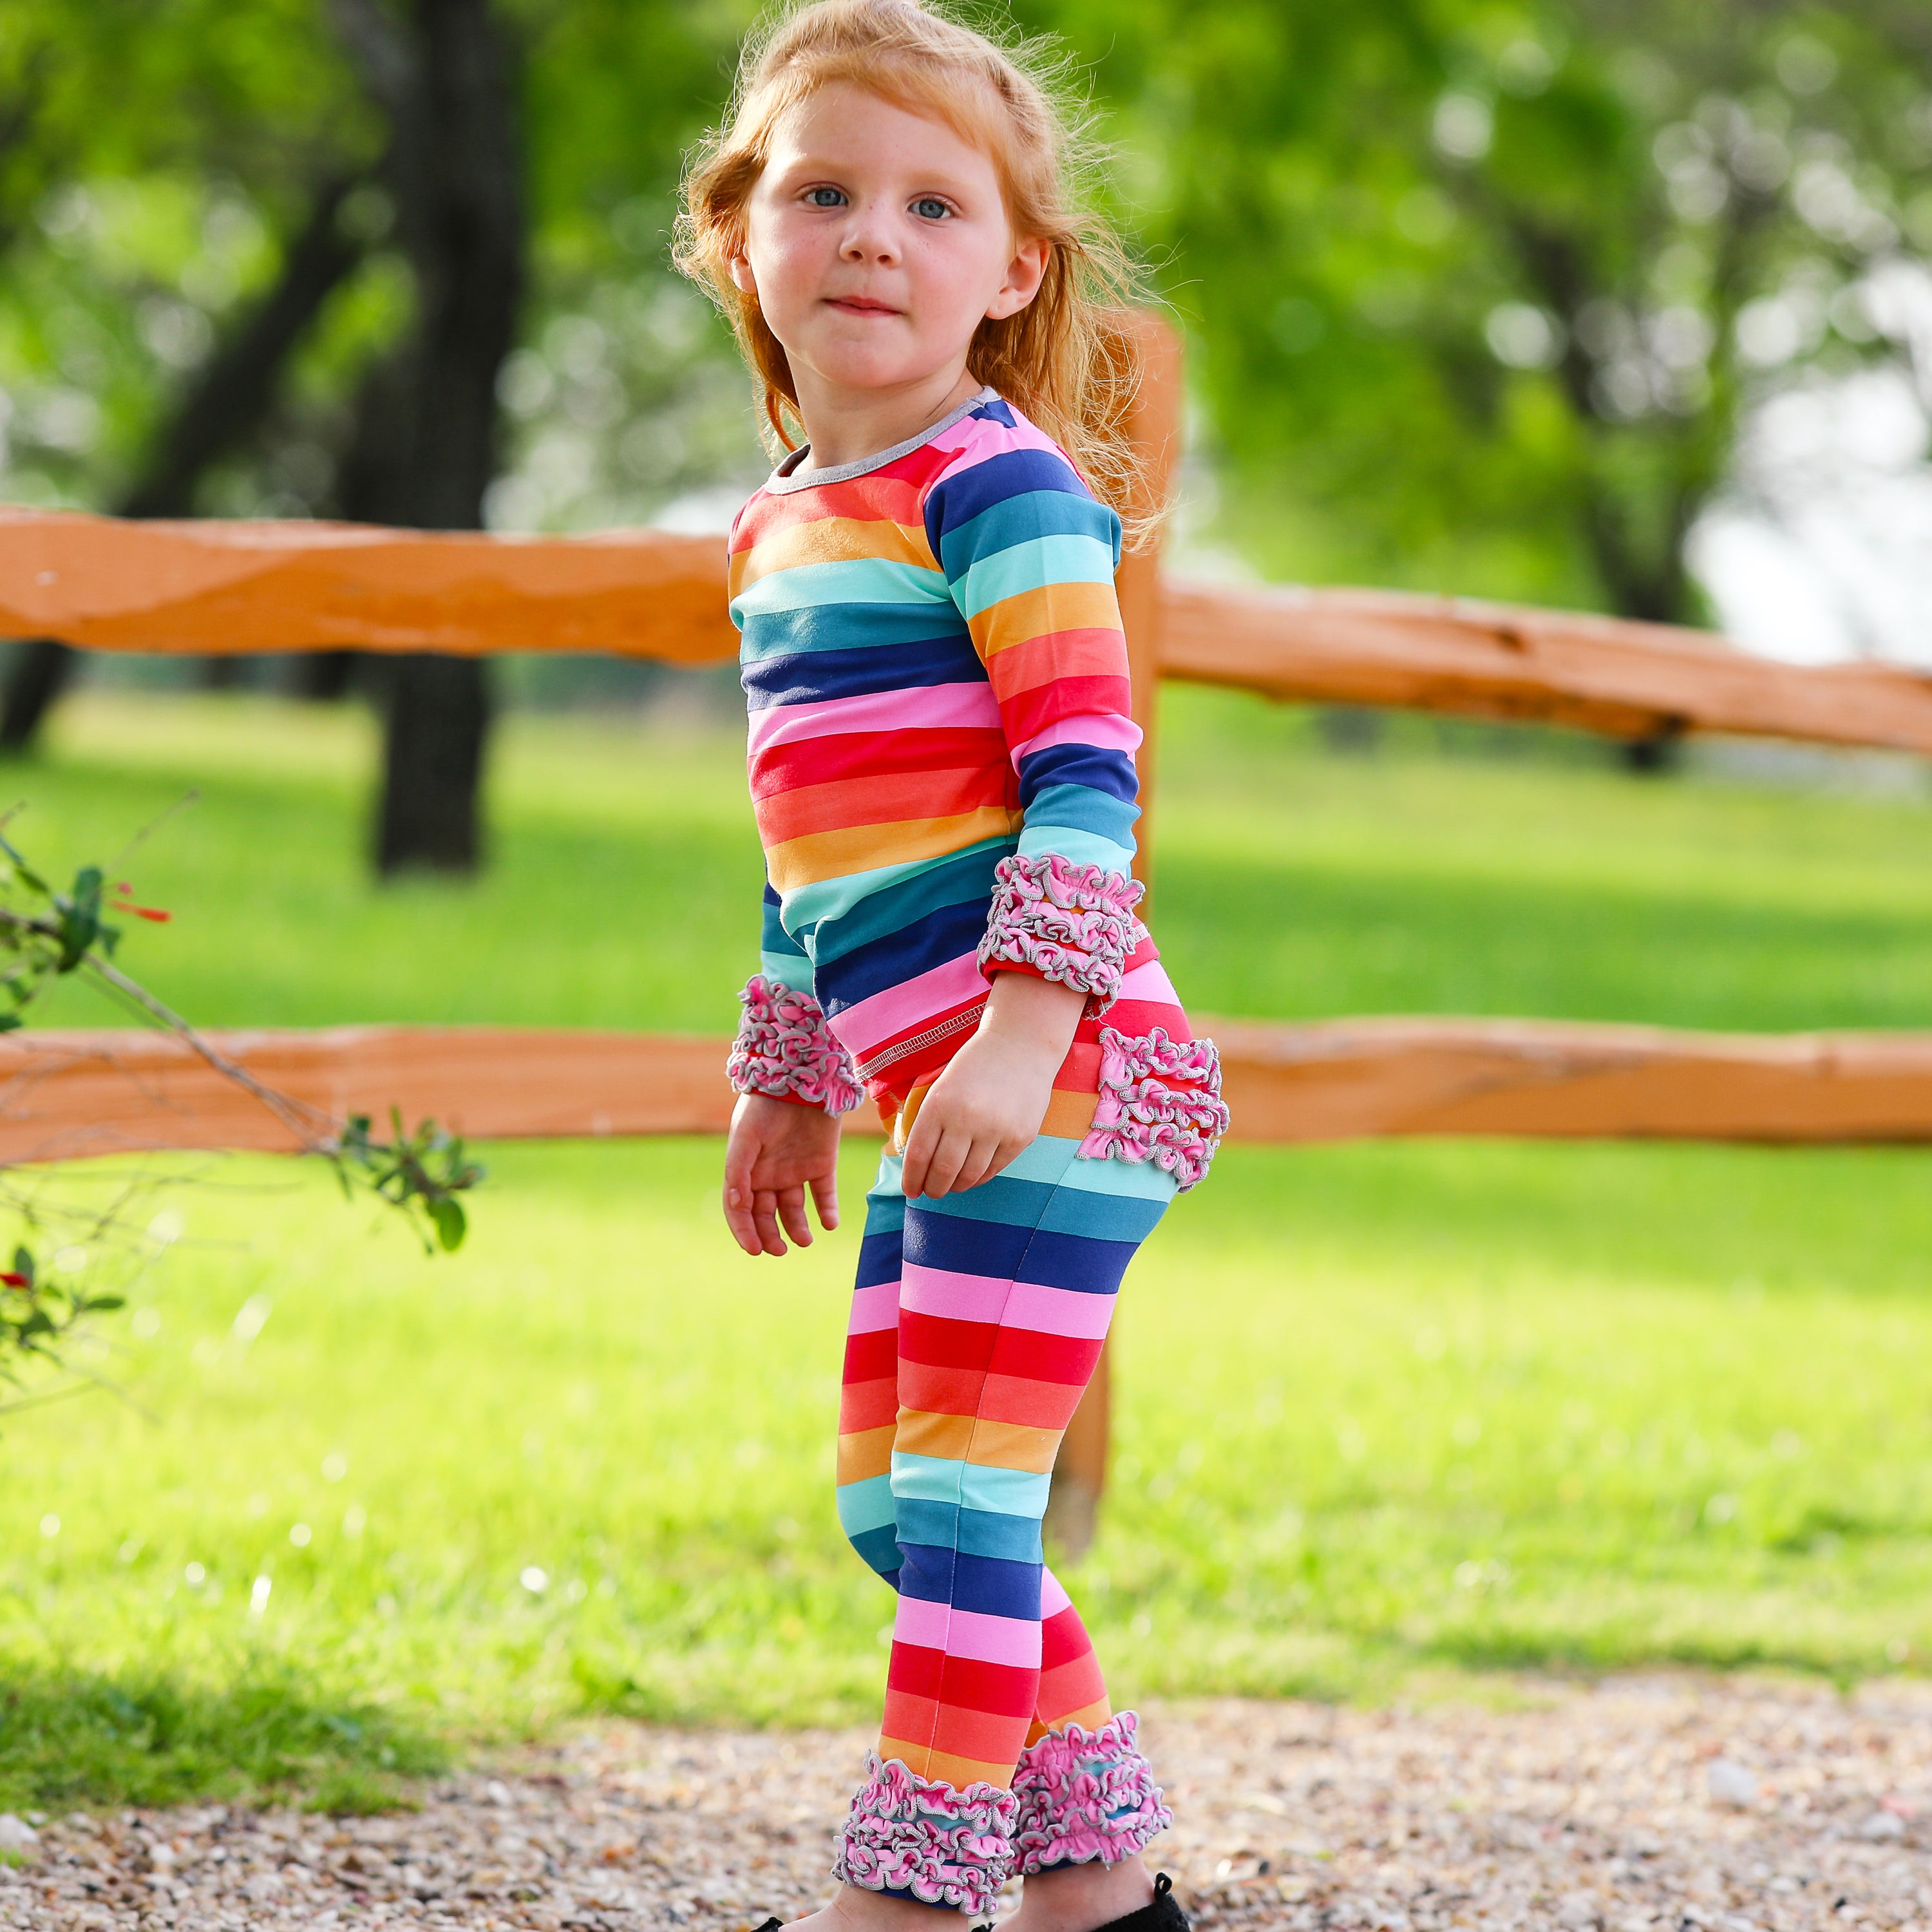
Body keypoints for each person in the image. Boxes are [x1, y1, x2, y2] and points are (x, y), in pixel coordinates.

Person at [677, 4, 1226, 1924]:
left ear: (1014, 273)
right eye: (823, 192)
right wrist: (787, 1073)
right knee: (898, 1513)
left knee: (970, 1511)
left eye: (933, 205)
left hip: (1071, 1070)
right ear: (740, 235)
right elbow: (807, 842)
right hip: (942, 1086)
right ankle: (1105, 1901)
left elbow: (1087, 768)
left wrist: (1019, 1030)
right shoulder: (779, 529)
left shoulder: (1000, 489)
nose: (872, 237)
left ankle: (900, 1909)